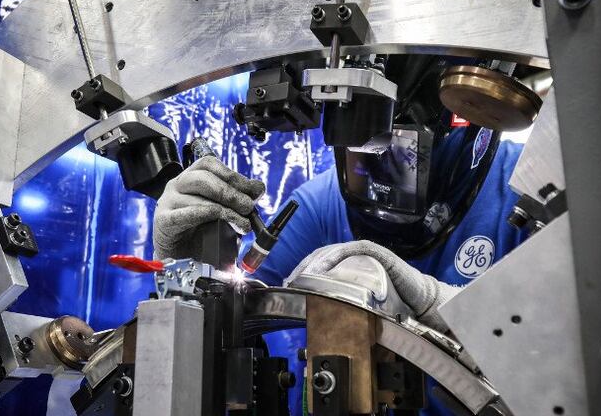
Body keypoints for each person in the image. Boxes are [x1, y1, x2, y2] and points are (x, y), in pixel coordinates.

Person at [153, 55, 527, 415]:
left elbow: (553, 358)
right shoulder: (318, 207)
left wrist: (437, 305)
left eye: (402, 156)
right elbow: (230, 312)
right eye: (361, 153)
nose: (379, 172)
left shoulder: (525, 194)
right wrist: (187, 275)